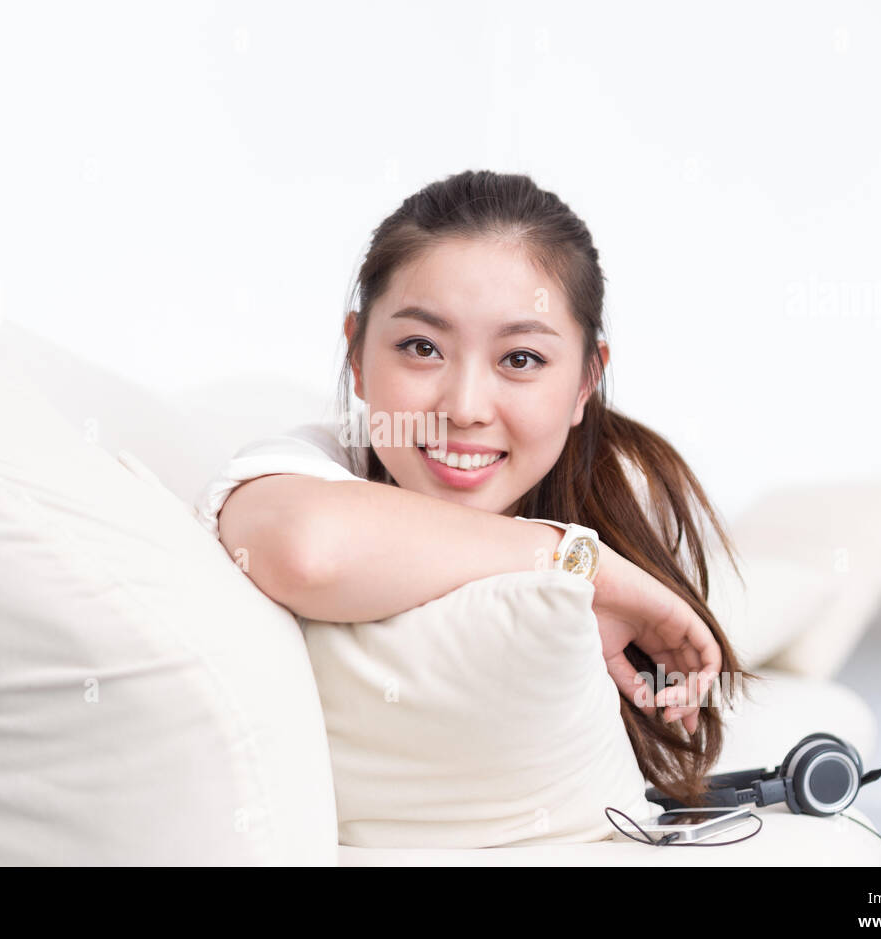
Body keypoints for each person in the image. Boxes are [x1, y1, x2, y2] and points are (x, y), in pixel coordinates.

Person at [192, 169, 760, 809]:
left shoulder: (628, 490)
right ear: (356, 355)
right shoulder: (306, 467)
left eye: (520, 359)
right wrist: (579, 561)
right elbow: (308, 550)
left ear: (584, 383)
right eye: (421, 347)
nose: (463, 408)